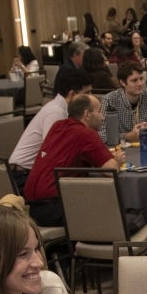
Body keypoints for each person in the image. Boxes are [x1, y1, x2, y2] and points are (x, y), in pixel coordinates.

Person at [23, 94, 123, 225]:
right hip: (53, 207)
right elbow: (111, 171)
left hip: (30, 206)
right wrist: (118, 160)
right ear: (87, 114)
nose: (103, 117)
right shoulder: (86, 134)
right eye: (99, 111)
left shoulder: (57, 126)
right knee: (111, 209)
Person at [10, 68, 92, 174]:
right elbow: (53, 153)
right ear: (72, 95)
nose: (91, 97)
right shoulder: (56, 113)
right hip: (23, 173)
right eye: (87, 93)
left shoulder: (64, 108)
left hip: (33, 170)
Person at [100, 62, 147, 143]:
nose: (140, 84)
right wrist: (127, 136)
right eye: (134, 80)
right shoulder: (109, 100)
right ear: (122, 83)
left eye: (141, 79)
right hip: (122, 150)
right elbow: (101, 134)